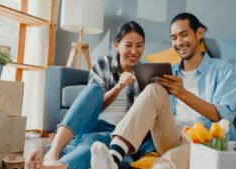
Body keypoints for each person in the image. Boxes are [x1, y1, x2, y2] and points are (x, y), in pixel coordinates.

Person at [90, 12, 236, 169]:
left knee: (169, 160)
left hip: (206, 139)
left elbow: (224, 116)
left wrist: (182, 93)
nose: (179, 42)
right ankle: (113, 159)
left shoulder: (223, 69)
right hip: (172, 136)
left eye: (184, 35)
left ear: (199, 33)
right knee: (154, 89)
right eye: (174, 38)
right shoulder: (168, 72)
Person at [25, 21, 154, 169]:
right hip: (92, 122)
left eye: (139, 45)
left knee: (94, 143)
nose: (134, 51)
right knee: (95, 89)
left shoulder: (144, 73)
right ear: (116, 45)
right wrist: (118, 87)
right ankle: (53, 153)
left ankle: (55, 167)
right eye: (128, 45)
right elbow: (96, 104)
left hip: (117, 132)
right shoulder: (103, 63)